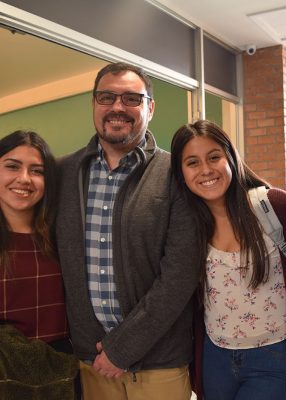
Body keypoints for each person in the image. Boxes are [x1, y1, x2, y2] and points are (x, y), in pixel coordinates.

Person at [55, 62, 200, 400]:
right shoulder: (62, 173)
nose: (117, 107)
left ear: (150, 107)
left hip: (159, 363)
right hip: (89, 363)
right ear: (94, 104)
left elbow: (180, 274)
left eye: (131, 99)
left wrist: (122, 348)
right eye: (107, 97)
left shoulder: (175, 173)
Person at [170, 119, 286, 400]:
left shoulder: (273, 207)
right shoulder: (188, 225)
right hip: (215, 357)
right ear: (181, 174)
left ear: (231, 156)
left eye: (214, 157)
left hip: (273, 356)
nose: (206, 170)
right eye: (192, 162)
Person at [0, 130, 78, 399]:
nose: (24, 179)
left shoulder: (64, 238)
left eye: (37, 170)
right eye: (12, 166)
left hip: (64, 377)